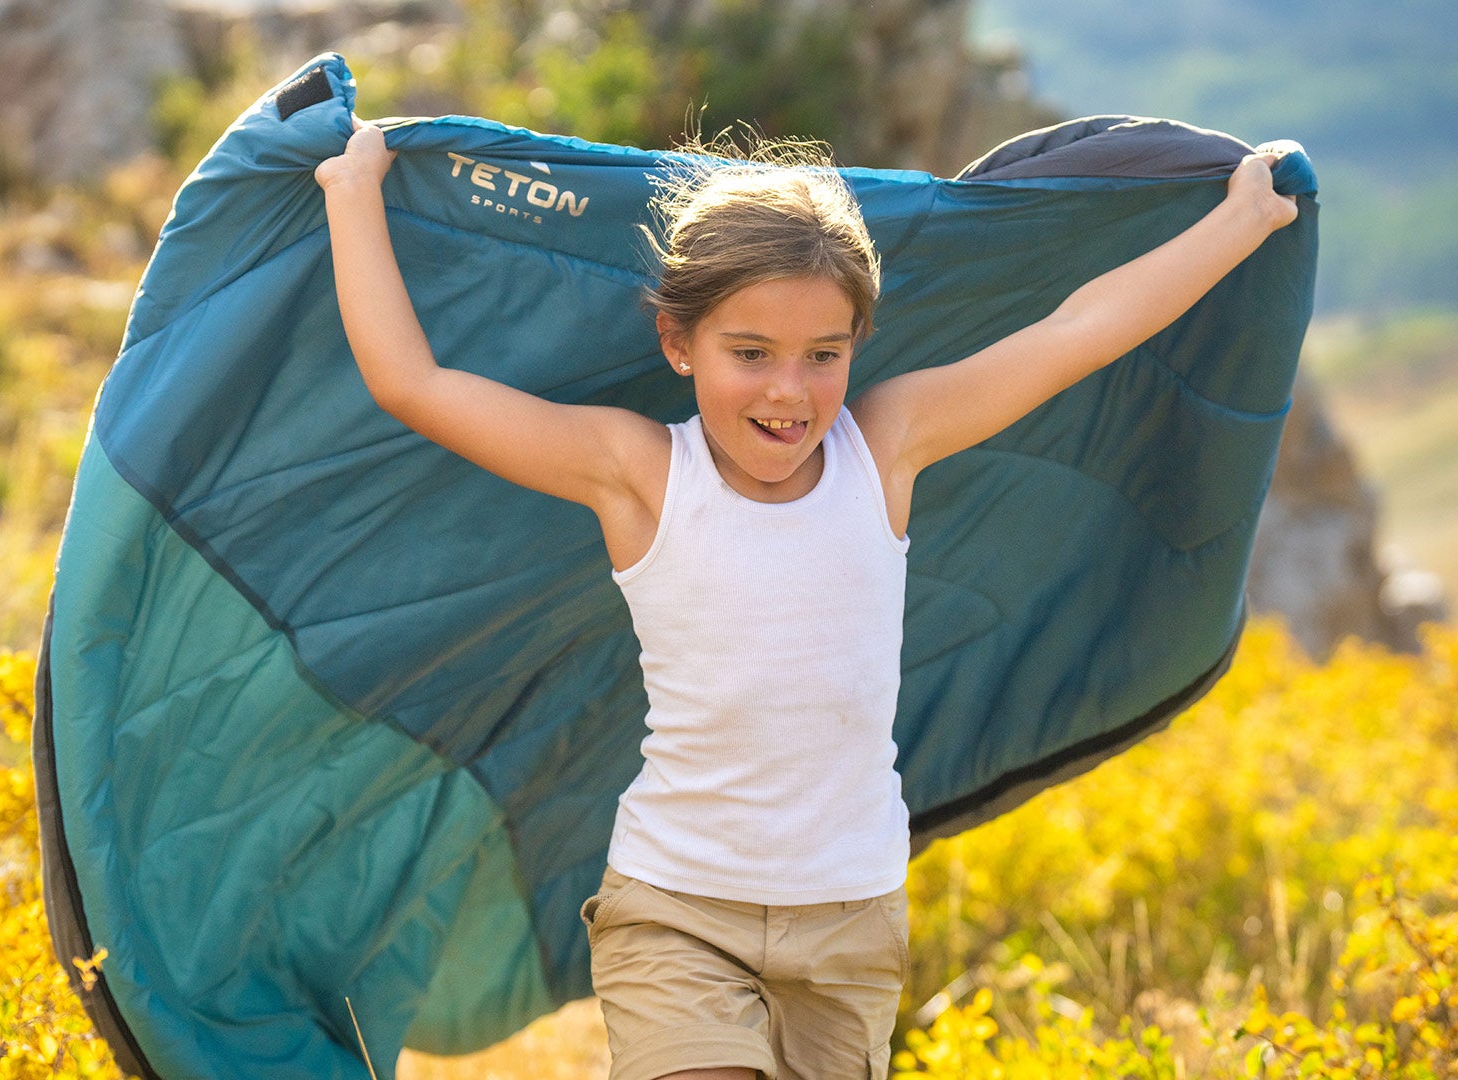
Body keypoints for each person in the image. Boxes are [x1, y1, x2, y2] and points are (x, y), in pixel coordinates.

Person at [315, 118, 1297, 1080]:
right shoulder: (639, 474)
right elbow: (413, 384)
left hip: (850, 920)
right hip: (677, 907)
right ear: (678, 341)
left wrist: (1241, 222)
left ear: (857, 344)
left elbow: (1080, 330)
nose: (790, 393)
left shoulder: (890, 444)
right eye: (751, 353)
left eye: (823, 355)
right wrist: (351, 192)